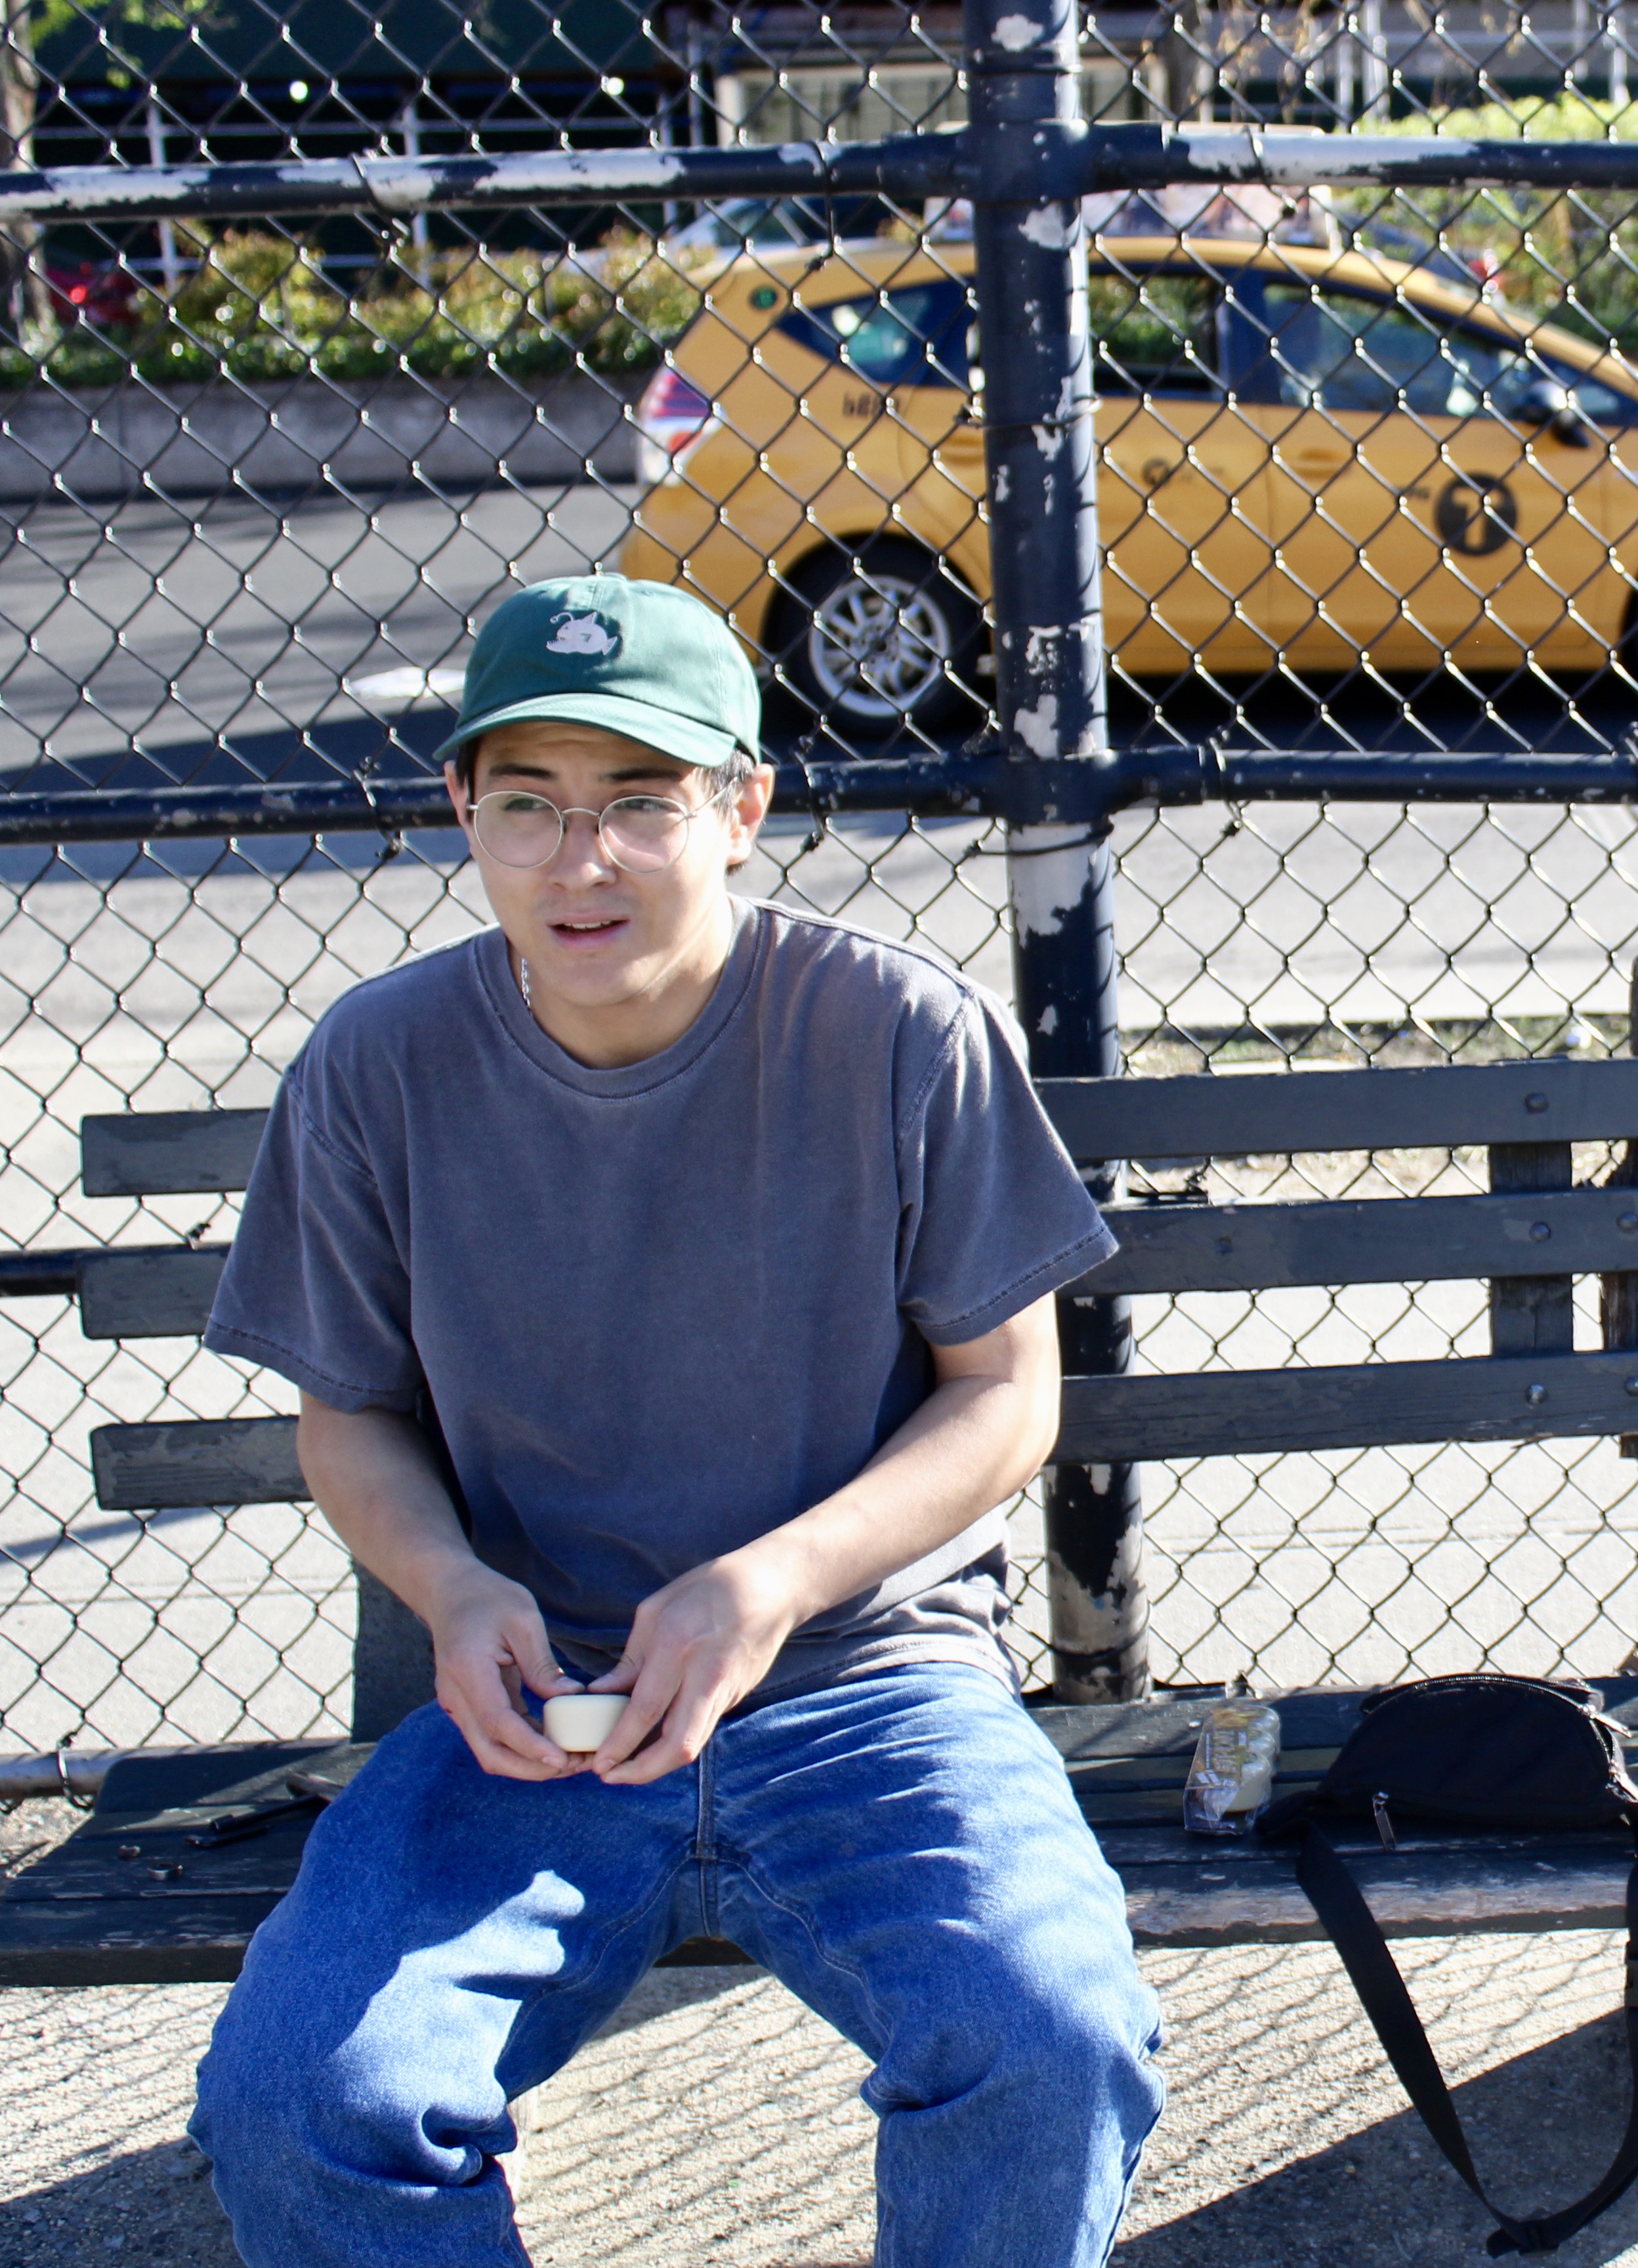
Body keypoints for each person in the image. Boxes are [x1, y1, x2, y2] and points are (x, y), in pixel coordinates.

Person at [186, 574, 1162, 2267]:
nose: (585, 862)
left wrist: (768, 1583)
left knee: (1051, 2047)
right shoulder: (378, 1062)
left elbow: (1008, 1394)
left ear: (742, 808)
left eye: (641, 802)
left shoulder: (895, 1028)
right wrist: (453, 1592)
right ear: (462, 811)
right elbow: (350, 1419)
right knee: (304, 2103)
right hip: (535, 1709)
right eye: (531, 805)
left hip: (868, 1679)